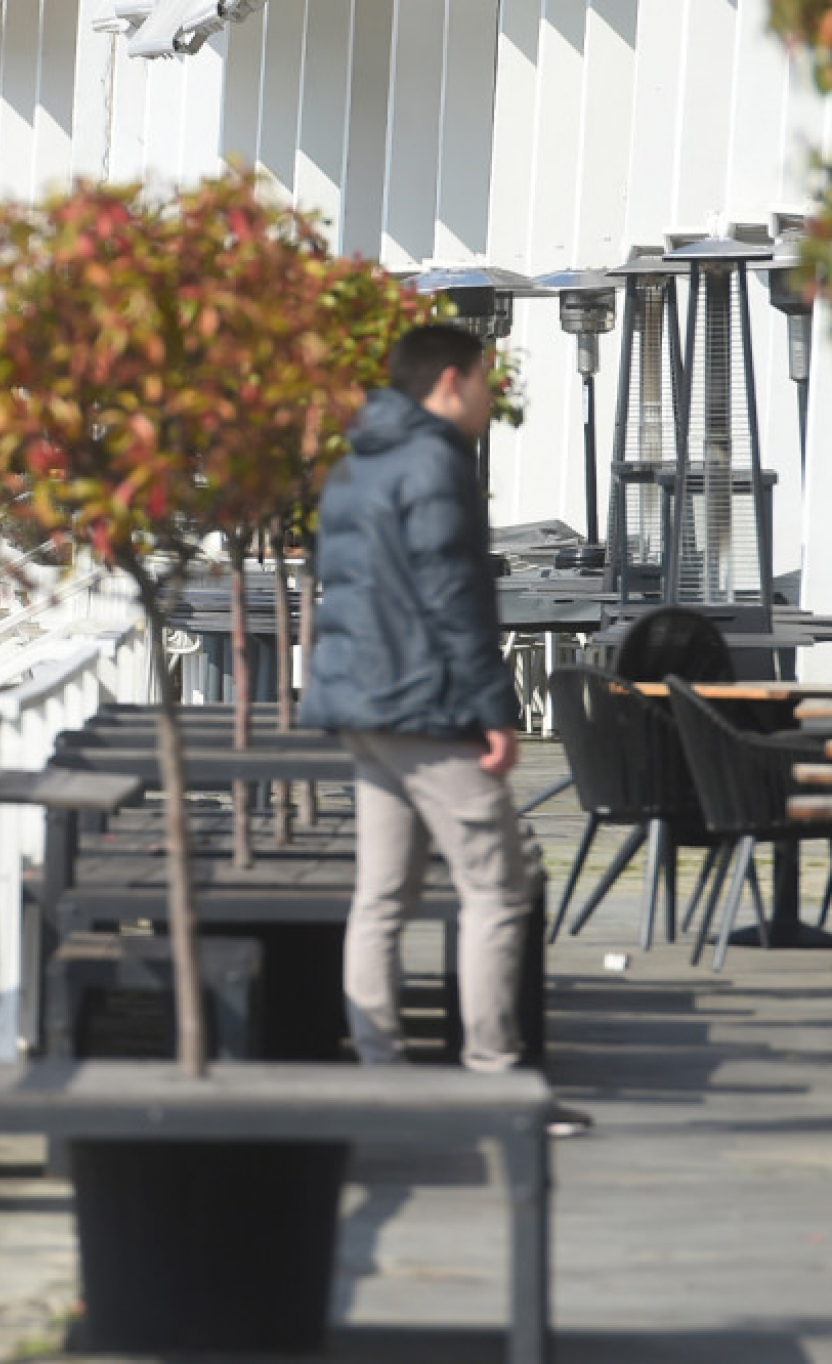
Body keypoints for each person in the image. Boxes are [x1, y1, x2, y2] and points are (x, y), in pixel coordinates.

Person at [299, 323, 535, 1078]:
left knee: (381, 896)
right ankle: (495, 1075)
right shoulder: (436, 461)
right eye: (487, 378)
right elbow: (453, 593)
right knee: (497, 888)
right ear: (451, 380)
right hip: (425, 706)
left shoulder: (353, 462)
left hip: (361, 703)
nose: (490, 396)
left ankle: (382, 1073)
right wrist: (495, 709)